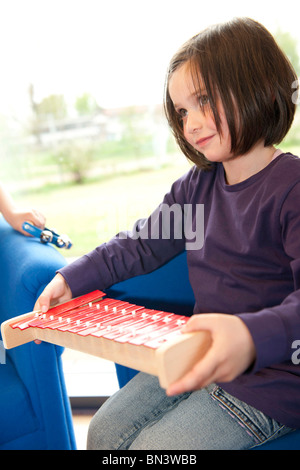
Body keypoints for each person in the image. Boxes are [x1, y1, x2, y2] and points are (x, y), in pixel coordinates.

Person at [34, 17, 300, 449]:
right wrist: (71, 276)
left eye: (204, 100)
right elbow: (139, 245)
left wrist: (250, 337)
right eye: (182, 111)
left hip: (274, 383)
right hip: (200, 354)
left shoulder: (292, 188)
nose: (191, 123)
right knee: (101, 433)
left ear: (257, 85)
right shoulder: (197, 187)